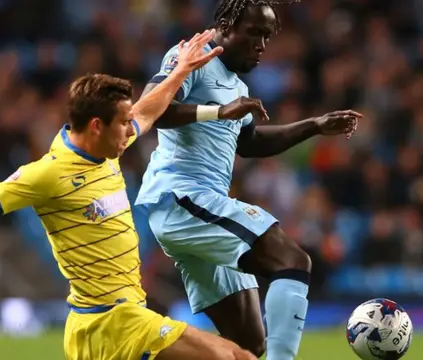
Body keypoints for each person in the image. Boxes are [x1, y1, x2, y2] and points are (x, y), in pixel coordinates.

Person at [0, 31, 257, 360]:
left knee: (238, 357)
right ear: (97, 125)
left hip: (118, 318)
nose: (130, 131)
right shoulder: (49, 172)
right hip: (109, 324)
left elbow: (148, 111)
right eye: (122, 124)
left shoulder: (107, 145)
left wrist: (181, 71)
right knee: (231, 359)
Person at [134, 2, 363, 360]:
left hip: (196, 212)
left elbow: (250, 142)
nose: (261, 45)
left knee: (249, 349)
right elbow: (151, 108)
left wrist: (314, 125)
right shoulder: (193, 56)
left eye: (267, 37)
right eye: (254, 32)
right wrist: (220, 111)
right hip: (180, 197)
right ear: (226, 24)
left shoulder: (235, 84)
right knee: (292, 260)